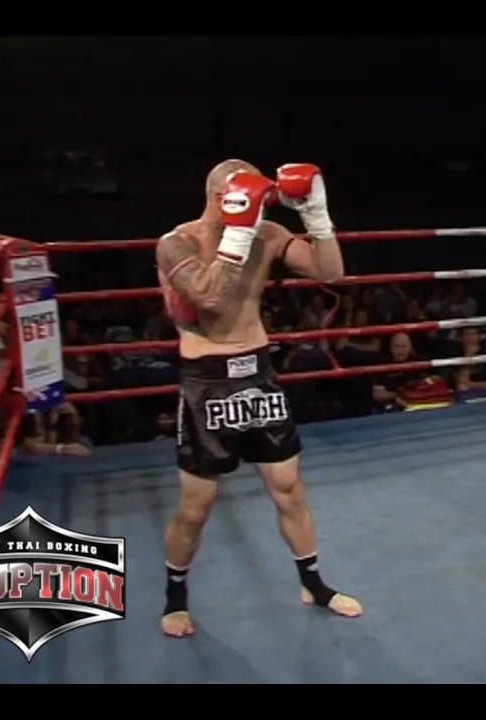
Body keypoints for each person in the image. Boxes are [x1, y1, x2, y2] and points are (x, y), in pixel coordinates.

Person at [155, 159, 360, 639]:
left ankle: (313, 584)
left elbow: (331, 272)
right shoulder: (176, 243)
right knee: (196, 506)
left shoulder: (267, 234)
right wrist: (240, 231)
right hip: (207, 381)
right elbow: (209, 298)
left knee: (289, 489)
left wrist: (317, 217)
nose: (261, 207)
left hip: (259, 374)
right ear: (220, 196)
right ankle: (175, 598)